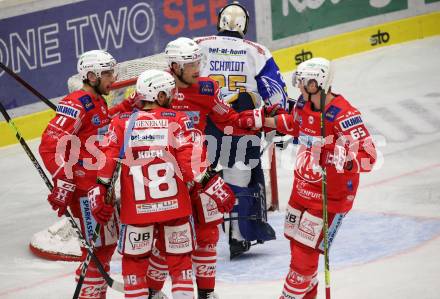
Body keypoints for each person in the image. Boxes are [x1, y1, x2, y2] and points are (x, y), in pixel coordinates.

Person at [89, 69, 236, 299]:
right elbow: (192, 167)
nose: (173, 97)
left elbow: (106, 163)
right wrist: (216, 187)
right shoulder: (178, 120)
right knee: (180, 266)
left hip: (136, 211)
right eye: (169, 93)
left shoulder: (121, 123)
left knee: (135, 265)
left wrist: (98, 193)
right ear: (158, 96)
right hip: (174, 209)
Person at [145, 37, 264, 299]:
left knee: (208, 233)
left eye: (198, 61)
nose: (198, 68)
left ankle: (206, 293)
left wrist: (261, 118)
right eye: (191, 64)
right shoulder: (156, 87)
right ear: (175, 66)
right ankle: (151, 292)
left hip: (202, 172)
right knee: (168, 241)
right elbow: (126, 118)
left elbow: (229, 119)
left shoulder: (207, 88)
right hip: (166, 179)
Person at [261, 57, 377, 299]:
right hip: (301, 188)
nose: (299, 87)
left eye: (303, 82)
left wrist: (335, 157)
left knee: (305, 253)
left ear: (316, 83)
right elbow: (295, 124)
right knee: (294, 240)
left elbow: (369, 156)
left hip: (329, 198)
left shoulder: (344, 115)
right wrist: (262, 121)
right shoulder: (303, 104)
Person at [39, 49, 138, 299]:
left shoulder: (96, 101)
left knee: (103, 248)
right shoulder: (76, 103)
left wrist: (125, 106)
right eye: (106, 73)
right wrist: (63, 180)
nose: (112, 78)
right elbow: (50, 144)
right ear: (91, 75)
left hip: (97, 187)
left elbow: (100, 126)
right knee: (98, 251)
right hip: (84, 190)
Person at [193, 0, 288, 258]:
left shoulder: (199, 44)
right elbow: (276, 93)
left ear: (219, 21)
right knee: (239, 179)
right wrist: (279, 118)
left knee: (200, 179)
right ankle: (238, 235)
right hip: (240, 125)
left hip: (205, 125)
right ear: (244, 25)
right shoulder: (256, 50)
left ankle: (191, 235)